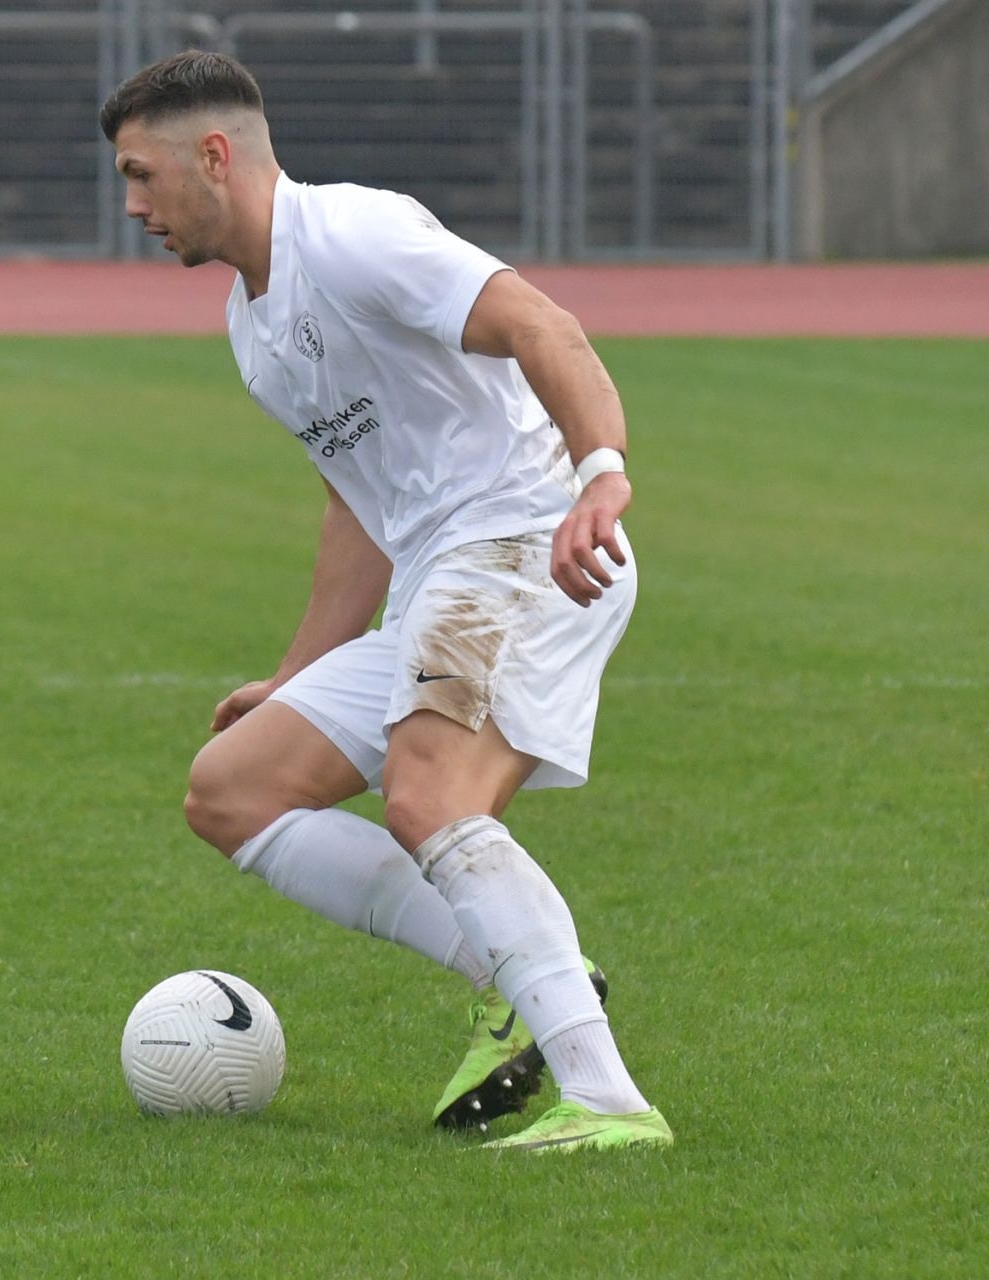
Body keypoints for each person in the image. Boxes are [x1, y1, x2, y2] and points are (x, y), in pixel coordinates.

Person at [99, 51, 672, 1152]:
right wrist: (297, 674)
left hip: (522, 540)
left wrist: (599, 470)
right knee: (233, 789)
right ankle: (516, 980)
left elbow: (541, 324)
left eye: (141, 175)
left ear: (213, 156)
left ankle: (608, 1099)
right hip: (438, 579)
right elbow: (357, 507)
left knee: (427, 791)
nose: (132, 207)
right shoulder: (250, 323)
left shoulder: (354, 234)